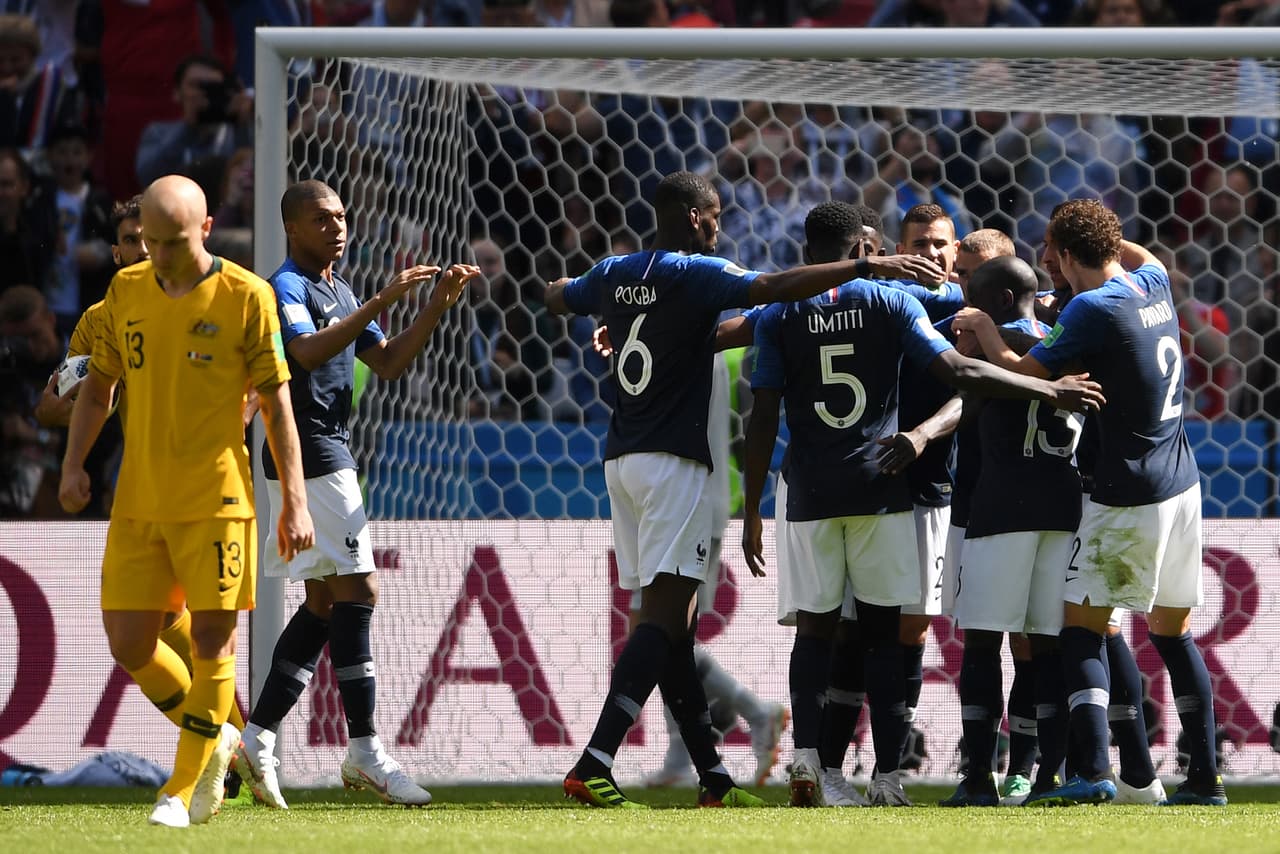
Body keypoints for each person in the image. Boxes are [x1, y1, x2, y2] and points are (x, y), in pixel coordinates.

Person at [545, 170, 949, 809]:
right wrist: (873, 271)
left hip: (619, 459)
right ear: (701, 218)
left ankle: (713, 777)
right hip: (677, 465)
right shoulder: (700, 273)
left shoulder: (616, 269)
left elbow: (557, 292)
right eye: (718, 216)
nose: (721, 226)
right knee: (664, 620)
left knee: (676, 623)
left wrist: (616, 317)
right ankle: (596, 758)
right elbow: (768, 288)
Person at [742, 202, 1103, 809]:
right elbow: (960, 367)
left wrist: (752, 507)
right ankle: (887, 779)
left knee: (817, 631)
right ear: (866, 246)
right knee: (888, 636)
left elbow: (762, 414)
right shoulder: (892, 302)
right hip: (881, 486)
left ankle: (808, 764)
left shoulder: (781, 311)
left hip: (807, 490)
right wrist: (1048, 385)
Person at [57, 174, 315, 827]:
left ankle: (181, 789)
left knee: (211, 641)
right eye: (150, 242)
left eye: (172, 242)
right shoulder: (125, 290)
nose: (160, 256)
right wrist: (74, 465)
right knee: (129, 640)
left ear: (205, 229)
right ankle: (222, 736)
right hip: (139, 499)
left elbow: (277, 403)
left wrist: (295, 500)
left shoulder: (246, 297)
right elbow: (97, 388)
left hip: (215, 500)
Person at [952, 199, 1225, 807]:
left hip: (1128, 491)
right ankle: (1204, 777)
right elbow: (1140, 252)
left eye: (1057, 253)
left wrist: (987, 333)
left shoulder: (1093, 309)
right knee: (1173, 634)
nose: (1051, 264)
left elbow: (1023, 369)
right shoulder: (1152, 281)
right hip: (1183, 484)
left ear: (1071, 255)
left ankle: (1095, 771)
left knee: (1082, 629)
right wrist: (1093, 231)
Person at [231, 180, 477, 809]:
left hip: (324, 448)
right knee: (360, 588)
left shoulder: (337, 289)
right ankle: (364, 751)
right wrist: (379, 301)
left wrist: (433, 307)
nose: (337, 227)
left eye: (341, 216)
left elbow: (389, 363)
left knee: (321, 602)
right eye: (320, 218)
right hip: (308, 448)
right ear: (292, 227)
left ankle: (257, 739)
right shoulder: (286, 287)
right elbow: (305, 354)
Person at [939, 256, 1081, 807]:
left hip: (1001, 510)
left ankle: (978, 775)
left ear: (997, 302)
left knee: (982, 641)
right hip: (1062, 507)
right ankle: (1050, 774)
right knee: (1047, 646)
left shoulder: (995, 352)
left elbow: (969, 395)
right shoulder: (1062, 339)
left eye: (972, 298)